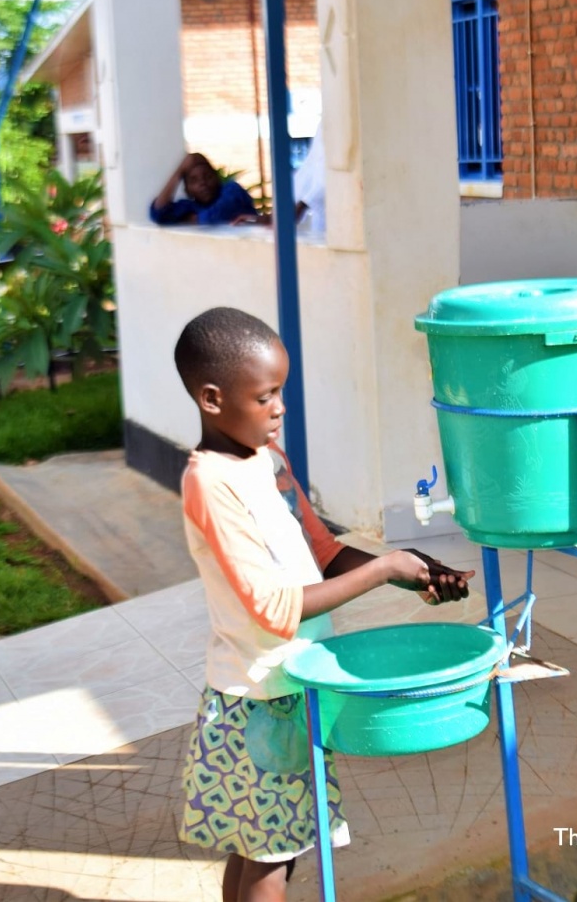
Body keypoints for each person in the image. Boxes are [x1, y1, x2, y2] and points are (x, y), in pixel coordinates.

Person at [173, 306, 472, 901]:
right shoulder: (209, 482)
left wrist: (407, 572)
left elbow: (323, 552)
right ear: (212, 399)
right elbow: (273, 607)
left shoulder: (270, 461)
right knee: (272, 860)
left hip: (292, 681)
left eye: (281, 391)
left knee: (262, 847)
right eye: (265, 397)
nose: (280, 407)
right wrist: (385, 567)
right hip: (258, 696)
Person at [151, 152, 257, 226]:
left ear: (217, 178)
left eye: (208, 176)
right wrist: (179, 171)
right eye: (194, 180)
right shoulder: (190, 206)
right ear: (188, 190)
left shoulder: (233, 190)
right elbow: (158, 214)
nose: (203, 183)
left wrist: (192, 219)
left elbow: (218, 214)